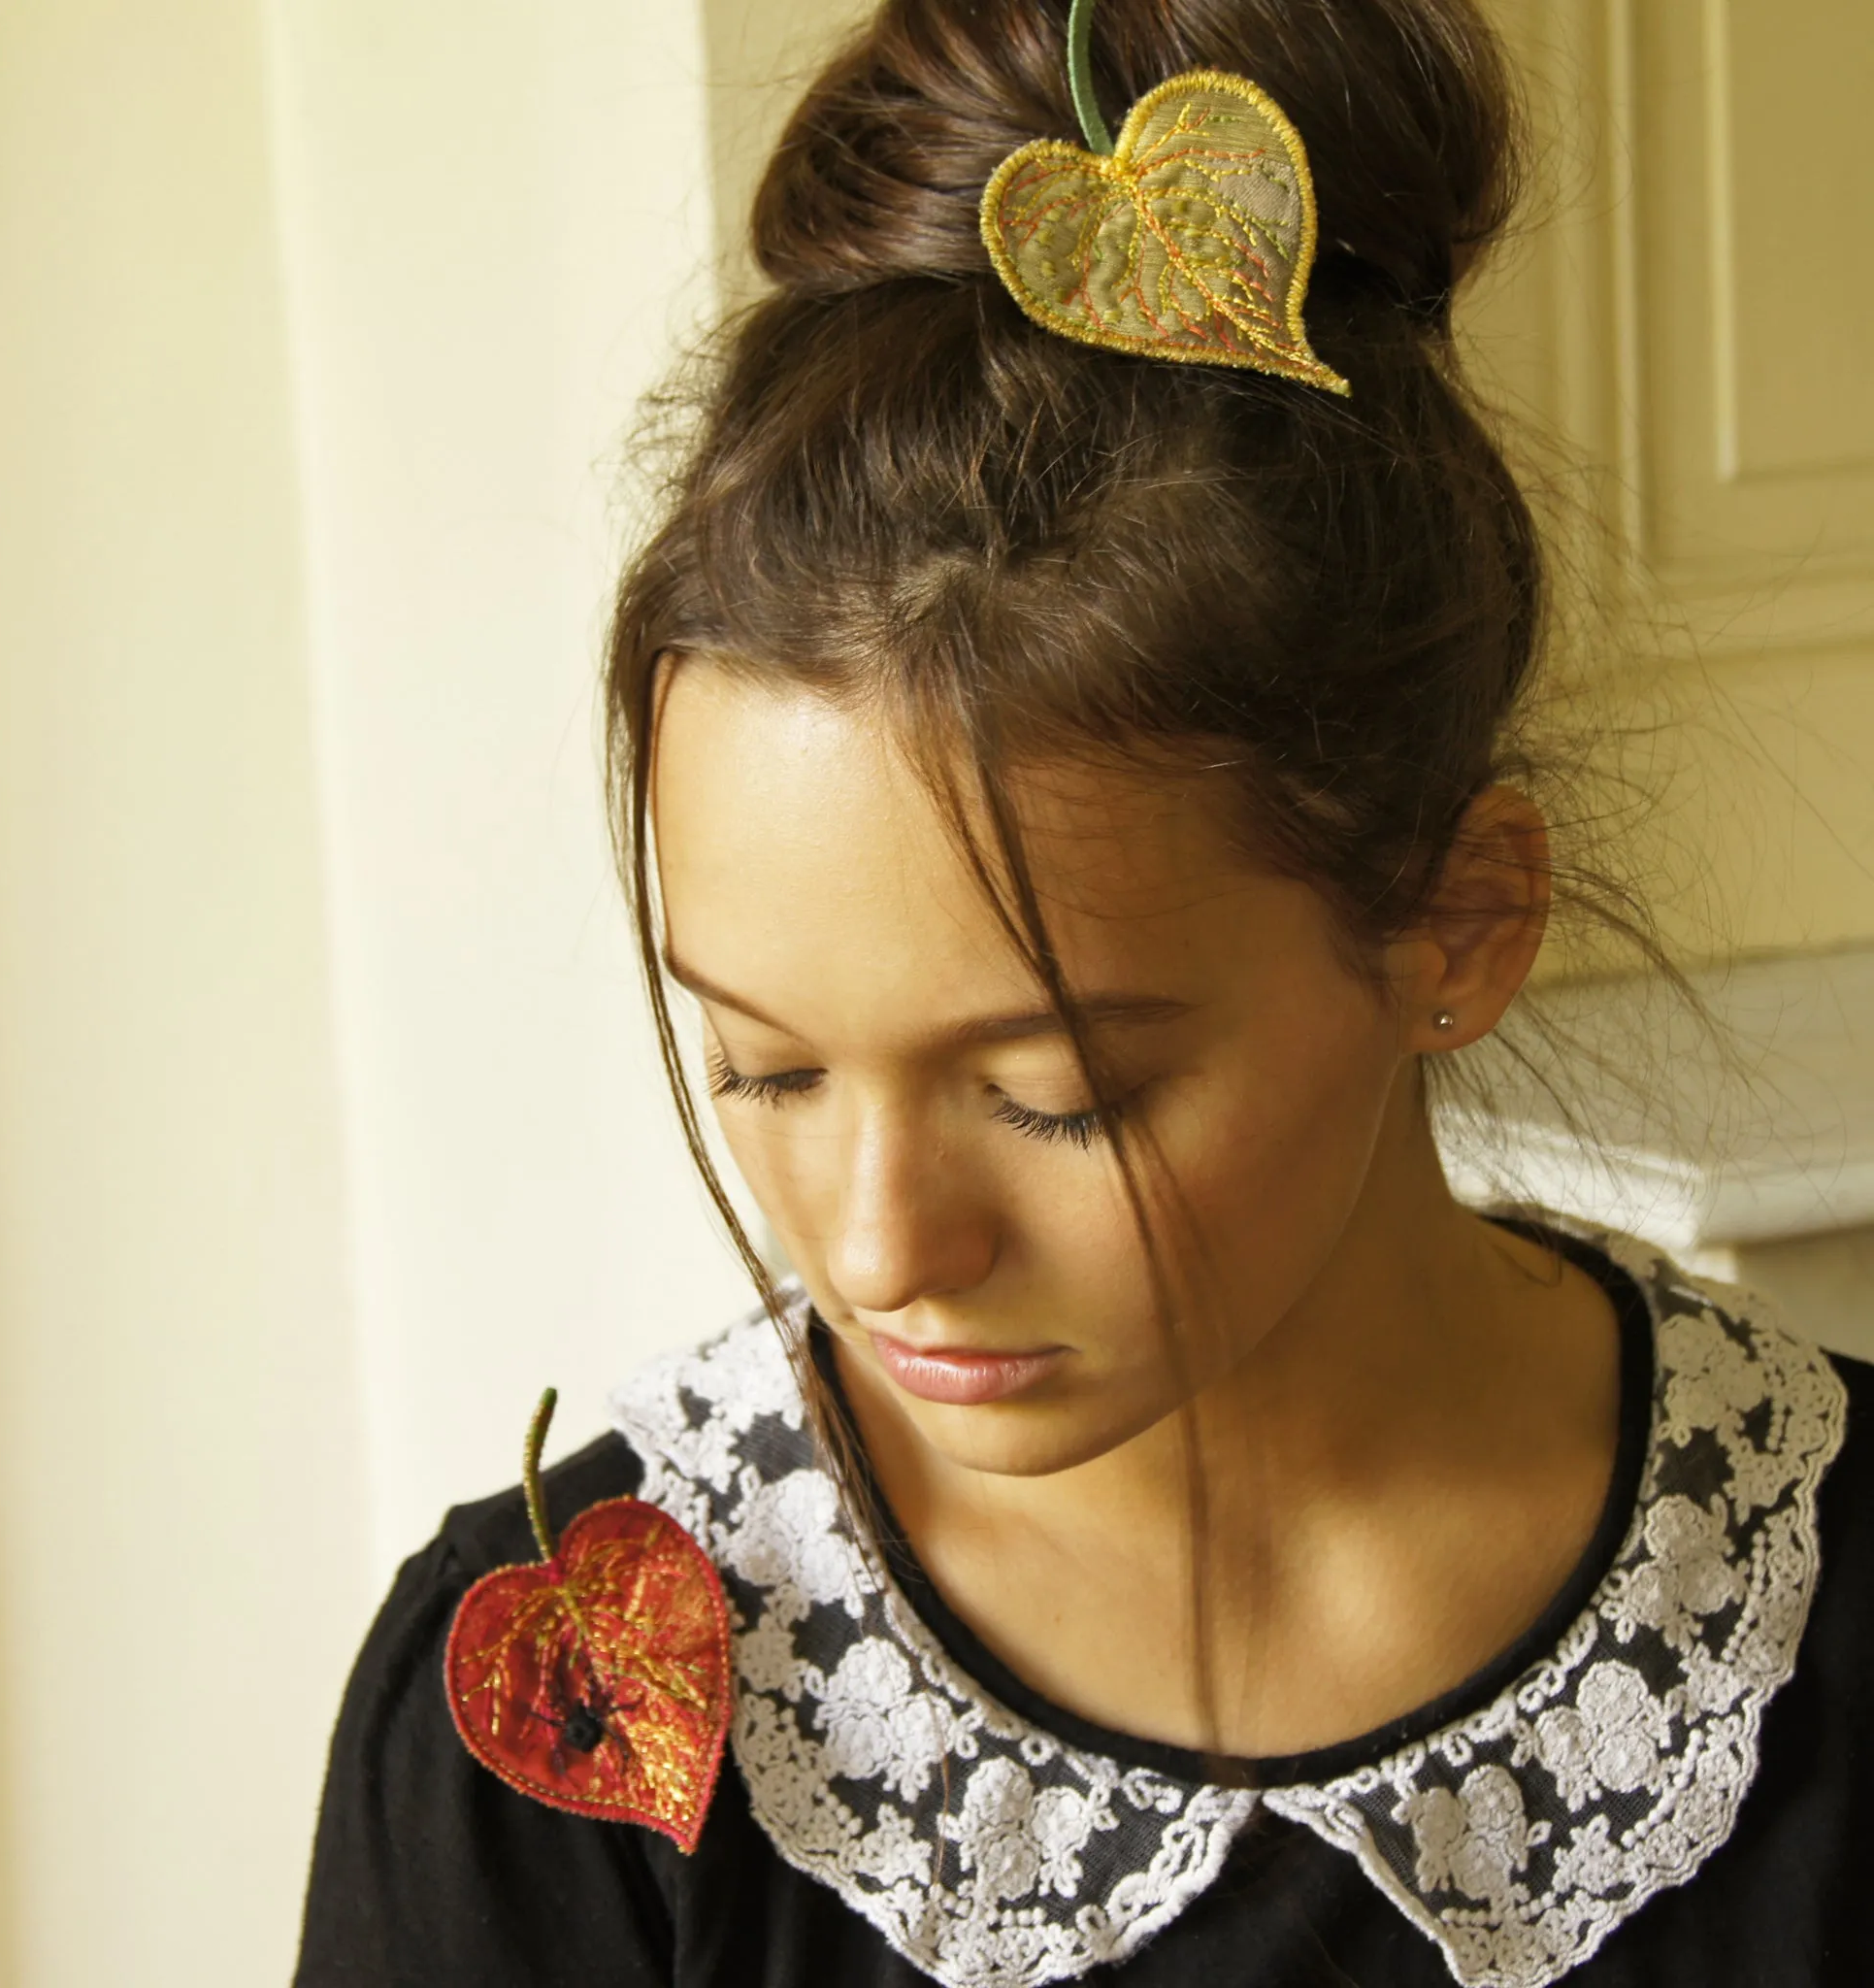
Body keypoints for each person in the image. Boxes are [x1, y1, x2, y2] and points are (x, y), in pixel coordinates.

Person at [293, 0, 1874, 1981]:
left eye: (1055, 1095)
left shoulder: (1838, 1638)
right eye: (764, 1069)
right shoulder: (562, 1714)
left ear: (1456, 929)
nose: (883, 1249)